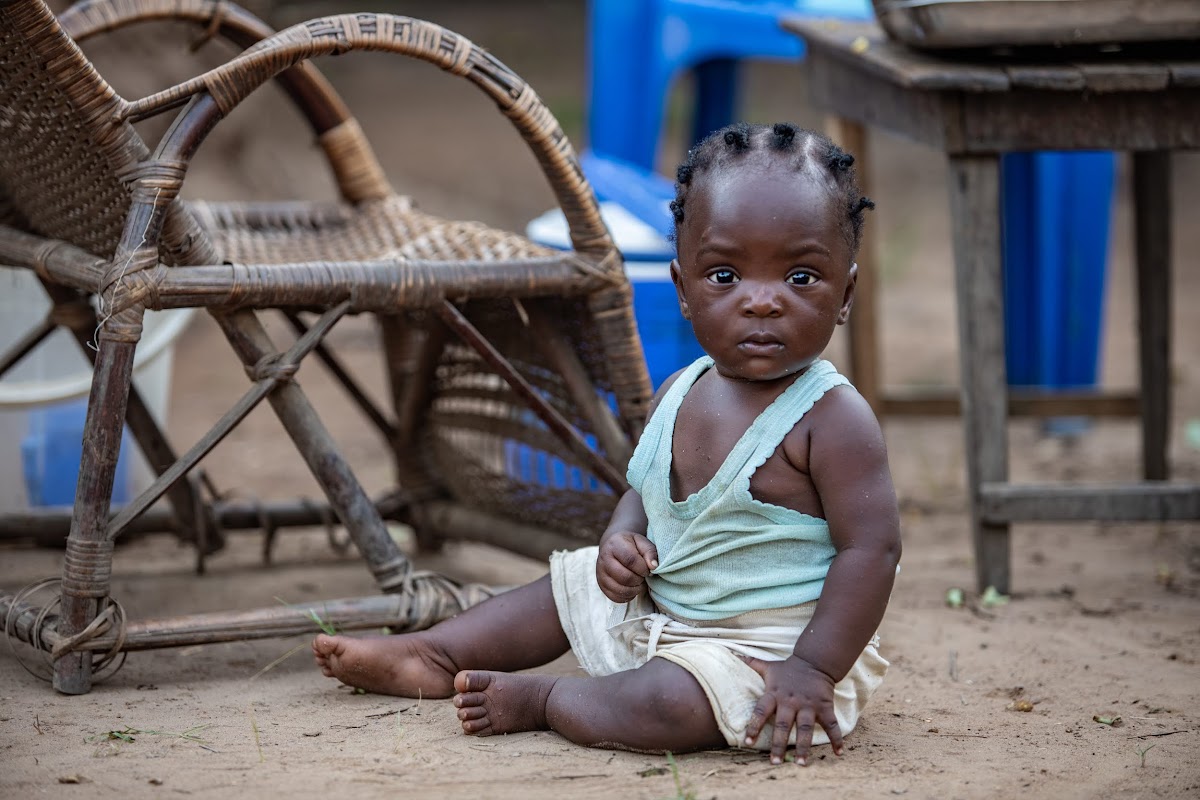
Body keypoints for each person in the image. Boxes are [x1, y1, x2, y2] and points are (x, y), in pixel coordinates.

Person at [313, 122, 901, 766]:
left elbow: (871, 550)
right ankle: (432, 652)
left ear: (845, 294)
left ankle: (544, 701)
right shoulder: (680, 389)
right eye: (726, 275)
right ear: (683, 288)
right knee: (561, 590)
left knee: (671, 705)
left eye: (800, 278)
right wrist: (622, 539)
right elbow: (642, 490)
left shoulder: (832, 416)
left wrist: (814, 667)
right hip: (668, 605)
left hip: (769, 651)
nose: (762, 302)